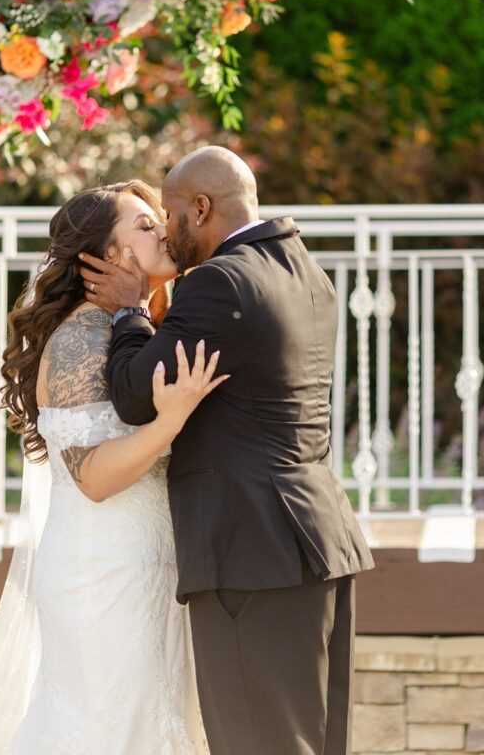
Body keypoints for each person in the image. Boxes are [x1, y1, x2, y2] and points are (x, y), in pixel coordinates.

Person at [80, 146, 375, 755]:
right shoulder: (305, 272)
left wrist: (131, 310)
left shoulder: (220, 281)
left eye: (170, 212)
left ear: (202, 208)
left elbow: (138, 395)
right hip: (318, 542)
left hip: (252, 555)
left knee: (254, 742)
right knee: (314, 741)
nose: (165, 227)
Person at [0, 181, 224, 754]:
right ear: (107, 256)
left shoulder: (130, 327)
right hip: (100, 575)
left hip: (148, 568)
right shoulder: (80, 339)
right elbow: (93, 477)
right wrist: (168, 423)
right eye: (146, 226)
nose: (164, 231)